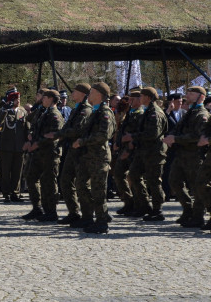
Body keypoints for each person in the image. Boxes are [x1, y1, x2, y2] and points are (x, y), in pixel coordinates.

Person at [73, 82, 116, 234]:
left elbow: (104, 135)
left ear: (98, 94)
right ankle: (87, 216)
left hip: (99, 157)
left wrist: (82, 141)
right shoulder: (95, 112)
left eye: (91, 92)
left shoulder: (105, 112)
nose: (89, 95)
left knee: (99, 191)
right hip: (88, 156)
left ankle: (102, 221)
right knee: (81, 185)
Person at [164, 85, 209, 228]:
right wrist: (171, 137)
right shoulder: (188, 112)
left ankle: (197, 216)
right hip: (181, 154)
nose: (187, 95)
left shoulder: (201, 114)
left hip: (194, 155)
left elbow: (197, 136)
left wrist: (176, 139)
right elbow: (178, 129)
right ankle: (188, 209)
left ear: (201, 97)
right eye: (187, 92)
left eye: (191, 93)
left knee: (197, 186)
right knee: (174, 181)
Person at [49, 83, 92, 225]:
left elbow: (77, 130)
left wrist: (57, 134)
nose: (72, 93)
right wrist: (61, 134)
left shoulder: (86, 111)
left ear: (82, 93)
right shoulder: (76, 110)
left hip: (82, 152)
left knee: (82, 184)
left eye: (74, 91)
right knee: (65, 180)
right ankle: (73, 212)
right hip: (72, 151)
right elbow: (68, 127)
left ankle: (87, 216)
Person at [127, 86, 168, 221]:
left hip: (154, 152)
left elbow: (152, 134)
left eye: (142, 96)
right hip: (144, 151)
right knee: (133, 175)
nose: (140, 98)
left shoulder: (154, 113)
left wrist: (133, 136)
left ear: (148, 98)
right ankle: (144, 204)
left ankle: (157, 209)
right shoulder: (148, 111)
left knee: (154, 180)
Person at [22, 89, 64, 221]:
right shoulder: (43, 112)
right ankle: (37, 208)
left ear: (51, 99)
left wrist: (37, 143)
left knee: (49, 183)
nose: (42, 99)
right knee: (30, 177)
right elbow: (36, 129)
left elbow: (54, 135)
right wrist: (31, 140)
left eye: (45, 97)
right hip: (39, 152)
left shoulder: (55, 114)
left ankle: (51, 212)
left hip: (50, 153)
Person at [111, 90, 145, 217]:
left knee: (134, 178)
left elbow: (140, 134)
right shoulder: (130, 113)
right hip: (123, 149)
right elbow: (121, 130)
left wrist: (129, 148)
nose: (129, 101)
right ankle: (128, 201)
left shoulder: (141, 114)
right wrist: (118, 143)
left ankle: (140, 204)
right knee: (118, 174)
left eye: (132, 99)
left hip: (133, 151)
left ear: (139, 100)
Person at [0, 88, 28, 202]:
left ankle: (15, 192)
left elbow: (26, 128)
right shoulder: (4, 111)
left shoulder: (22, 111)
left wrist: (27, 142)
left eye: (19, 99)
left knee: (17, 171)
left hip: (19, 147)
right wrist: (5, 108)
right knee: (5, 171)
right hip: (6, 146)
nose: (18, 101)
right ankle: (6, 193)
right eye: (15, 99)